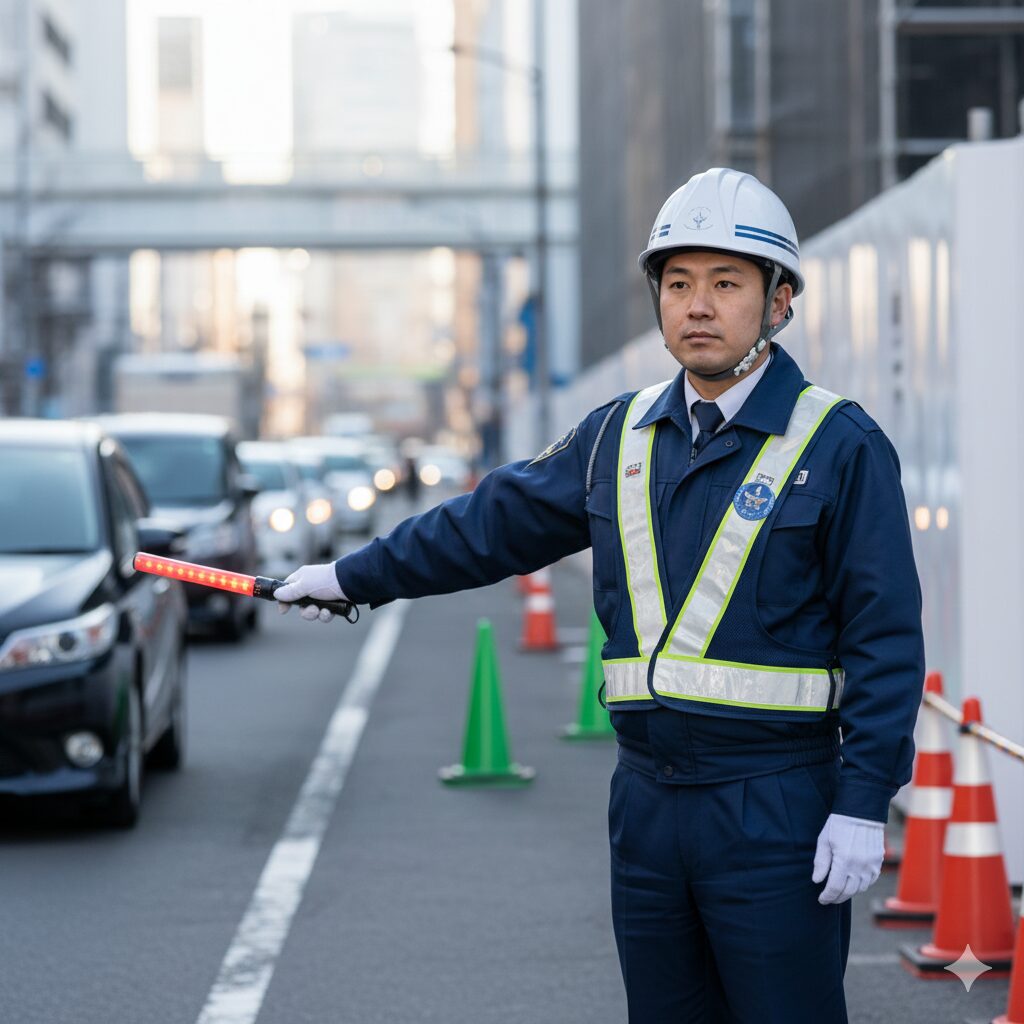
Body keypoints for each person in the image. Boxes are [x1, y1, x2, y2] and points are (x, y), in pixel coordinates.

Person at [276, 167, 925, 1023]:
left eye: (727, 284)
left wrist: (861, 802)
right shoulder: (615, 437)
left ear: (779, 303)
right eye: (679, 283)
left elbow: (885, 639)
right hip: (647, 808)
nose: (698, 306)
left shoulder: (840, 446)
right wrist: (352, 575)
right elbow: (489, 525)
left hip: (776, 808)